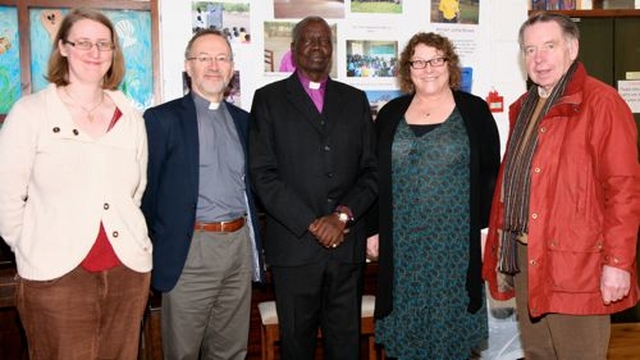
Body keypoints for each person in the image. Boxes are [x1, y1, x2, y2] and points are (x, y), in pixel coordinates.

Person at [483, 12, 640, 360]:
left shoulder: (602, 103)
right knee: (539, 354)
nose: (538, 59)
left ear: (572, 48)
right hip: (526, 257)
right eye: (530, 49)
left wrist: (617, 262)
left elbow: (624, 190)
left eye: (549, 46)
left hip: (578, 262)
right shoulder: (524, 108)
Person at [0, 8, 151, 360]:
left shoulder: (130, 117)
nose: (94, 52)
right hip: (57, 278)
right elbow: (5, 193)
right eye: (83, 42)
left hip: (127, 273)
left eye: (103, 44)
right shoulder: (31, 113)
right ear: (63, 48)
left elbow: (137, 189)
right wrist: (27, 246)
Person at [249, 16, 378, 360]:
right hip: (295, 247)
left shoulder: (355, 100)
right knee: (297, 346)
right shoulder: (269, 100)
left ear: (332, 49)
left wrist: (342, 216)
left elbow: (372, 171)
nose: (318, 46)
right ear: (293, 49)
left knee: (346, 344)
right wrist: (312, 222)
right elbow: (262, 175)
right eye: (309, 40)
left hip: (346, 246)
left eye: (324, 40)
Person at [366, 32, 500, 359]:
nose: (428, 68)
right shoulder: (390, 114)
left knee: (450, 332)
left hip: (455, 244)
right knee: (406, 332)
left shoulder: (474, 111)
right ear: (407, 69)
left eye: (437, 59)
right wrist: (372, 229)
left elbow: (490, 175)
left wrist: (486, 230)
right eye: (419, 61)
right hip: (402, 245)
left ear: (449, 64)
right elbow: (373, 176)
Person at [142, 29, 264, 359]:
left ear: (231, 68)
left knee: (231, 351)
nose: (214, 65)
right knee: (182, 352)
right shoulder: (160, 120)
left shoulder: (245, 122)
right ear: (188, 66)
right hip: (189, 252)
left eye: (222, 58)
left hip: (238, 249)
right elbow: (146, 196)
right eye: (204, 58)